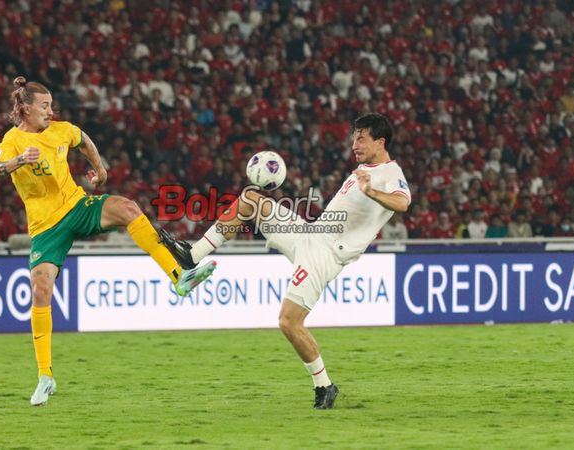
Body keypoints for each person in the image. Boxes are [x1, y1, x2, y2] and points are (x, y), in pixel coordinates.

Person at [0, 77, 215, 407]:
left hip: (76, 207)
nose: (51, 111)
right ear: (25, 109)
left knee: (128, 208)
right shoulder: (13, 140)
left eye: (52, 105)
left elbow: (85, 141)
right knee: (40, 289)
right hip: (45, 228)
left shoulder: (62, 130)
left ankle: (179, 278)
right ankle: (45, 376)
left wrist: (100, 170)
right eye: (45, 106)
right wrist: (14, 163)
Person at [161, 113, 411, 409]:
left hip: (325, 254)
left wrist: (372, 190)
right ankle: (192, 256)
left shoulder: (389, 172)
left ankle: (325, 386)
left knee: (289, 322)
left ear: (380, 142)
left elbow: (403, 202)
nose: (354, 143)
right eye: (354, 136)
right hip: (311, 234)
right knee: (250, 200)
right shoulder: (363, 168)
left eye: (361, 138)